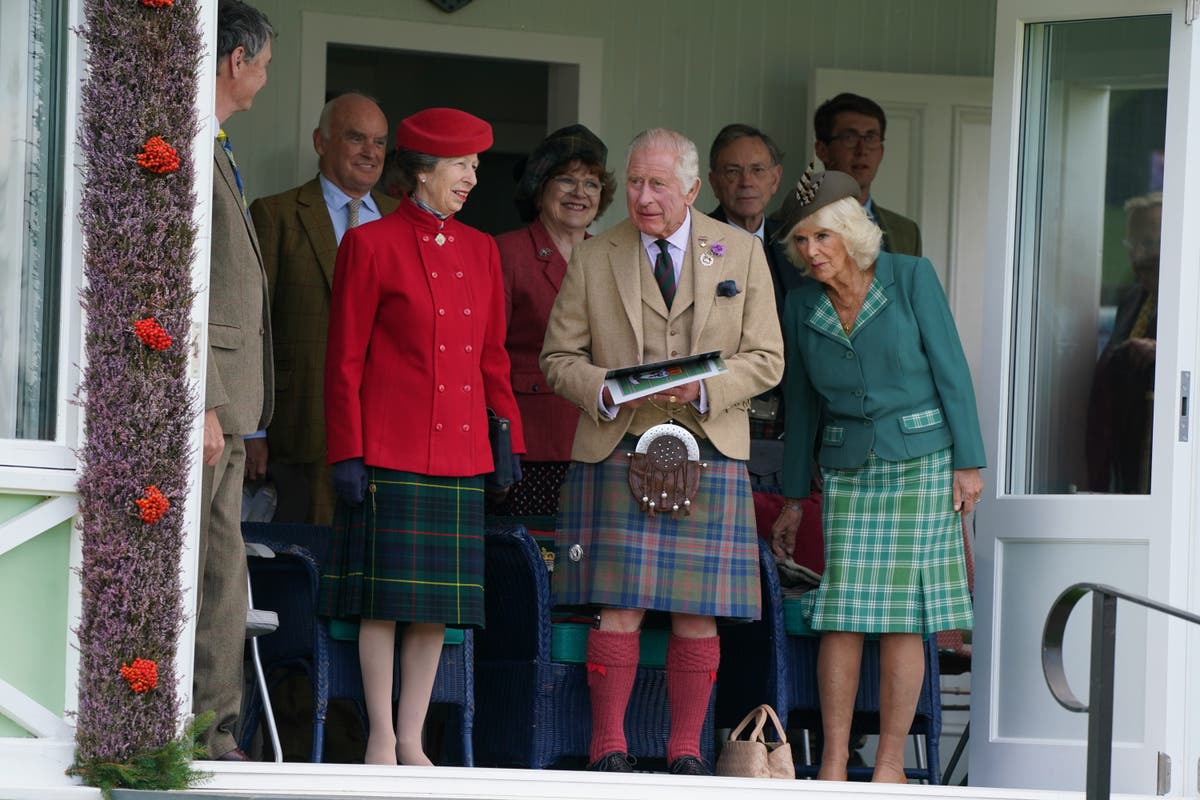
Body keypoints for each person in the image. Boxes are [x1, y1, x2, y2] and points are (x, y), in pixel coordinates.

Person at [541, 127, 784, 775]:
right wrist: (606, 389)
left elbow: (768, 359)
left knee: (696, 610)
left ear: (692, 189)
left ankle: (685, 753)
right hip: (619, 441)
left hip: (708, 445)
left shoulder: (738, 252)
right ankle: (608, 748)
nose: (643, 198)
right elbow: (557, 359)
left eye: (658, 185)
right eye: (637, 183)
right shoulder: (597, 255)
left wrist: (710, 387)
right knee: (618, 604)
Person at [319, 107, 525, 766]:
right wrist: (345, 450)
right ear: (426, 170)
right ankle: (381, 733)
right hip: (388, 450)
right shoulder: (370, 244)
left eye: (474, 166)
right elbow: (343, 358)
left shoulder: (482, 249)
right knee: (383, 602)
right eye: (462, 166)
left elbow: (494, 357)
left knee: (435, 607)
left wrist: (507, 438)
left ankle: (412, 737)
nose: (472, 178)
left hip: (461, 452)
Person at [769, 168, 984, 782]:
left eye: (822, 238)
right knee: (842, 613)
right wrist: (791, 497)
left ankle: (889, 765)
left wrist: (968, 462)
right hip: (846, 467)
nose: (811, 252)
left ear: (851, 235)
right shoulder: (800, 303)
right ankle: (834, 763)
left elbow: (952, 370)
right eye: (802, 241)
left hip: (922, 461)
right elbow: (802, 405)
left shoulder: (911, 277)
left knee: (904, 618)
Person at [248, 92, 396, 525]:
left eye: (380, 142)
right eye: (356, 138)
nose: (371, 152)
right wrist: (255, 431)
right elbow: (255, 324)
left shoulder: (400, 218)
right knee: (310, 563)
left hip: (386, 427)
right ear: (320, 142)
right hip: (301, 426)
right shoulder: (275, 214)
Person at [196, 0, 274, 762]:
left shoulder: (215, 142)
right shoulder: (190, 142)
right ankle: (206, 733)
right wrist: (211, 401)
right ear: (235, 61)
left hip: (232, 402)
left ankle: (214, 729)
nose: (265, 78)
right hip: (212, 401)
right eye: (264, 63)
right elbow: (179, 282)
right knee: (214, 568)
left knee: (224, 565)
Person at [493, 124, 615, 516]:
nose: (580, 193)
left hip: (603, 440)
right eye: (566, 180)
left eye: (592, 183)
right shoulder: (506, 253)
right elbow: (488, 354)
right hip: (533, 444)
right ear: (540, 187)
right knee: (531, 565)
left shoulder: (612, 255)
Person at [707, 123, 797, 487]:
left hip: (786, 428)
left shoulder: (798, 242)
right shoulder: (693, 241)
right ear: (713, 182)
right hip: (713, 420)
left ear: (775, 179)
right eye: (733, 171)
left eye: (758, 170)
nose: (747, 181)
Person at [1086, 192, 1162, 493]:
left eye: (1150, 243)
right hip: (1128, 449)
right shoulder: (1132, 298)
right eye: (1133, 245)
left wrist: (1163, 354)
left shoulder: (1189, 296)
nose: (1138, 256)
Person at [803, 92, 922, 257]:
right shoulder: (788, 225)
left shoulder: (907, 232)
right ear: (823, 150)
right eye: (849, 137)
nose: (862, 150)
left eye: (871, 138)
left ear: (881, 152)